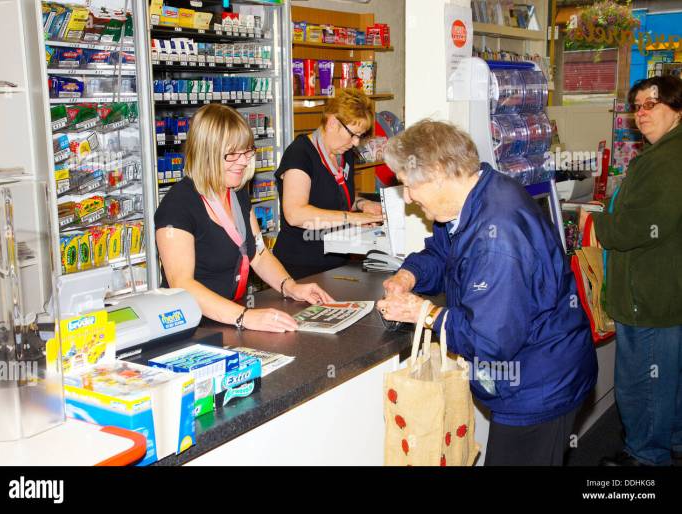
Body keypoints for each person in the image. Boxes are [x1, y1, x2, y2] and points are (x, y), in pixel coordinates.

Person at [377, 119, 598, 466]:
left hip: (539, 386)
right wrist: (409, 275)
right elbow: (442, 252)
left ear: (436, 173)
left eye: (408, 186)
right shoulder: (473, 197)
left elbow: (490, 341)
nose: (408, 198)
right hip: (532, 375)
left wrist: (424, 313)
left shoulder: (499, 237)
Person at [154, 104, 333, 333]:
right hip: (190, 329)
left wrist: (290, 286)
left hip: (228, 320)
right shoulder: (177, 206)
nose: (243, 162)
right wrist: (244, 317)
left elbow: (258, 253)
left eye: (247, 152)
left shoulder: (236, 193)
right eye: (232, 155)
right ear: (205, 153)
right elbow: (182, 285)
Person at [585, 75, 682, 467]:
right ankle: (670, 443)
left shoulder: (668, 160)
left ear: (676, 107)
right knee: (668, 383)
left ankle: (646, 458)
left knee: (644, 383)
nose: (641, 114)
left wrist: (596, 224)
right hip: (663, 291)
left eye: (651, 104)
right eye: (637, 107)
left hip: (648, 295)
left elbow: (641, 227)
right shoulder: (665, 152)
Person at [273, 89, 384, 279]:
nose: (356, 142)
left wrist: (361, 204)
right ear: (333, 122)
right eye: (353, 134)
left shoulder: (344, 153)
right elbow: (295, 214)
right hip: (300, 267)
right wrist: (354, 218)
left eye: (361, 136)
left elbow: (333, 196)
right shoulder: (300, 154)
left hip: (337, 260)